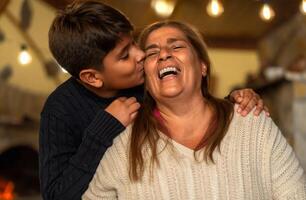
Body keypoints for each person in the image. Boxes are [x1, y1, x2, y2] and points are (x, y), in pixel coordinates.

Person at [39, 1, 267, 199]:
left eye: (134, 43)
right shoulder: (59, 110)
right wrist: (103, 129)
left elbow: (193, 108)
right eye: (125, 55)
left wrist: (232, 102)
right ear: (92, 77)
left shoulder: (145, 79)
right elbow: (57, 194)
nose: (141, 55)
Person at [82, 21, 306, 199]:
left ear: (202, 66)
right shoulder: (125, 144)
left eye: (176, 46)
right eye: (152, 53)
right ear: (147, 81)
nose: (164, 54)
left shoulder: (252, 122)